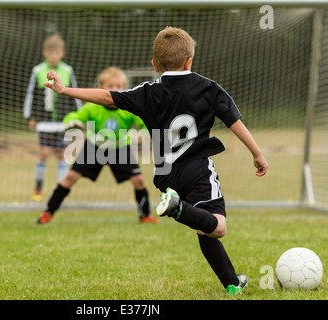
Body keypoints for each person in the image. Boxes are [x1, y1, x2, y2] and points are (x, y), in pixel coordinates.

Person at [43, 27, 269, 295]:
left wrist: (65, 90)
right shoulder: (209, 88)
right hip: (196, 168)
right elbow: (234, 122)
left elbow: (106, 97)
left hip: (165, 174)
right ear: (189, 60)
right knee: (217, 226)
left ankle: (232, 284)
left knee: (202, 227)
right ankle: (177, 208)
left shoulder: (147, 92)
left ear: (154, 65)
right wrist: (257, 153)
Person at [36, 67, 157, 225]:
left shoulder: (128, 108)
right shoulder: (93, 106)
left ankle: (145, 215)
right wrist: (71, 122)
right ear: (101, 88)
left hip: (120, 148)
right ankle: (48, 212)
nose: (115, 89)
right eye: (110, 86)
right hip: (95, 147)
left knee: (139, 180)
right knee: (70, 177)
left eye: (119, 86)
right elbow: (74, 116)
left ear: (125, 88)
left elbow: (145, 121)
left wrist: (153, 130)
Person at [23, 33, 82, 201]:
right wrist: (30, 117)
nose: (54, 56)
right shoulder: (38, 70)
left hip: (62, 122)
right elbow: (31, 95)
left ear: (62, 53)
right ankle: (38, 186)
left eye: (57, 53)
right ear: (45, 53)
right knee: (44, 152)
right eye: (51, 53)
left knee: (62, 155)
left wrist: (77, 117)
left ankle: (59, 191)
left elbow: (75, 95)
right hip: (44, 122)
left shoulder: (68, 70)